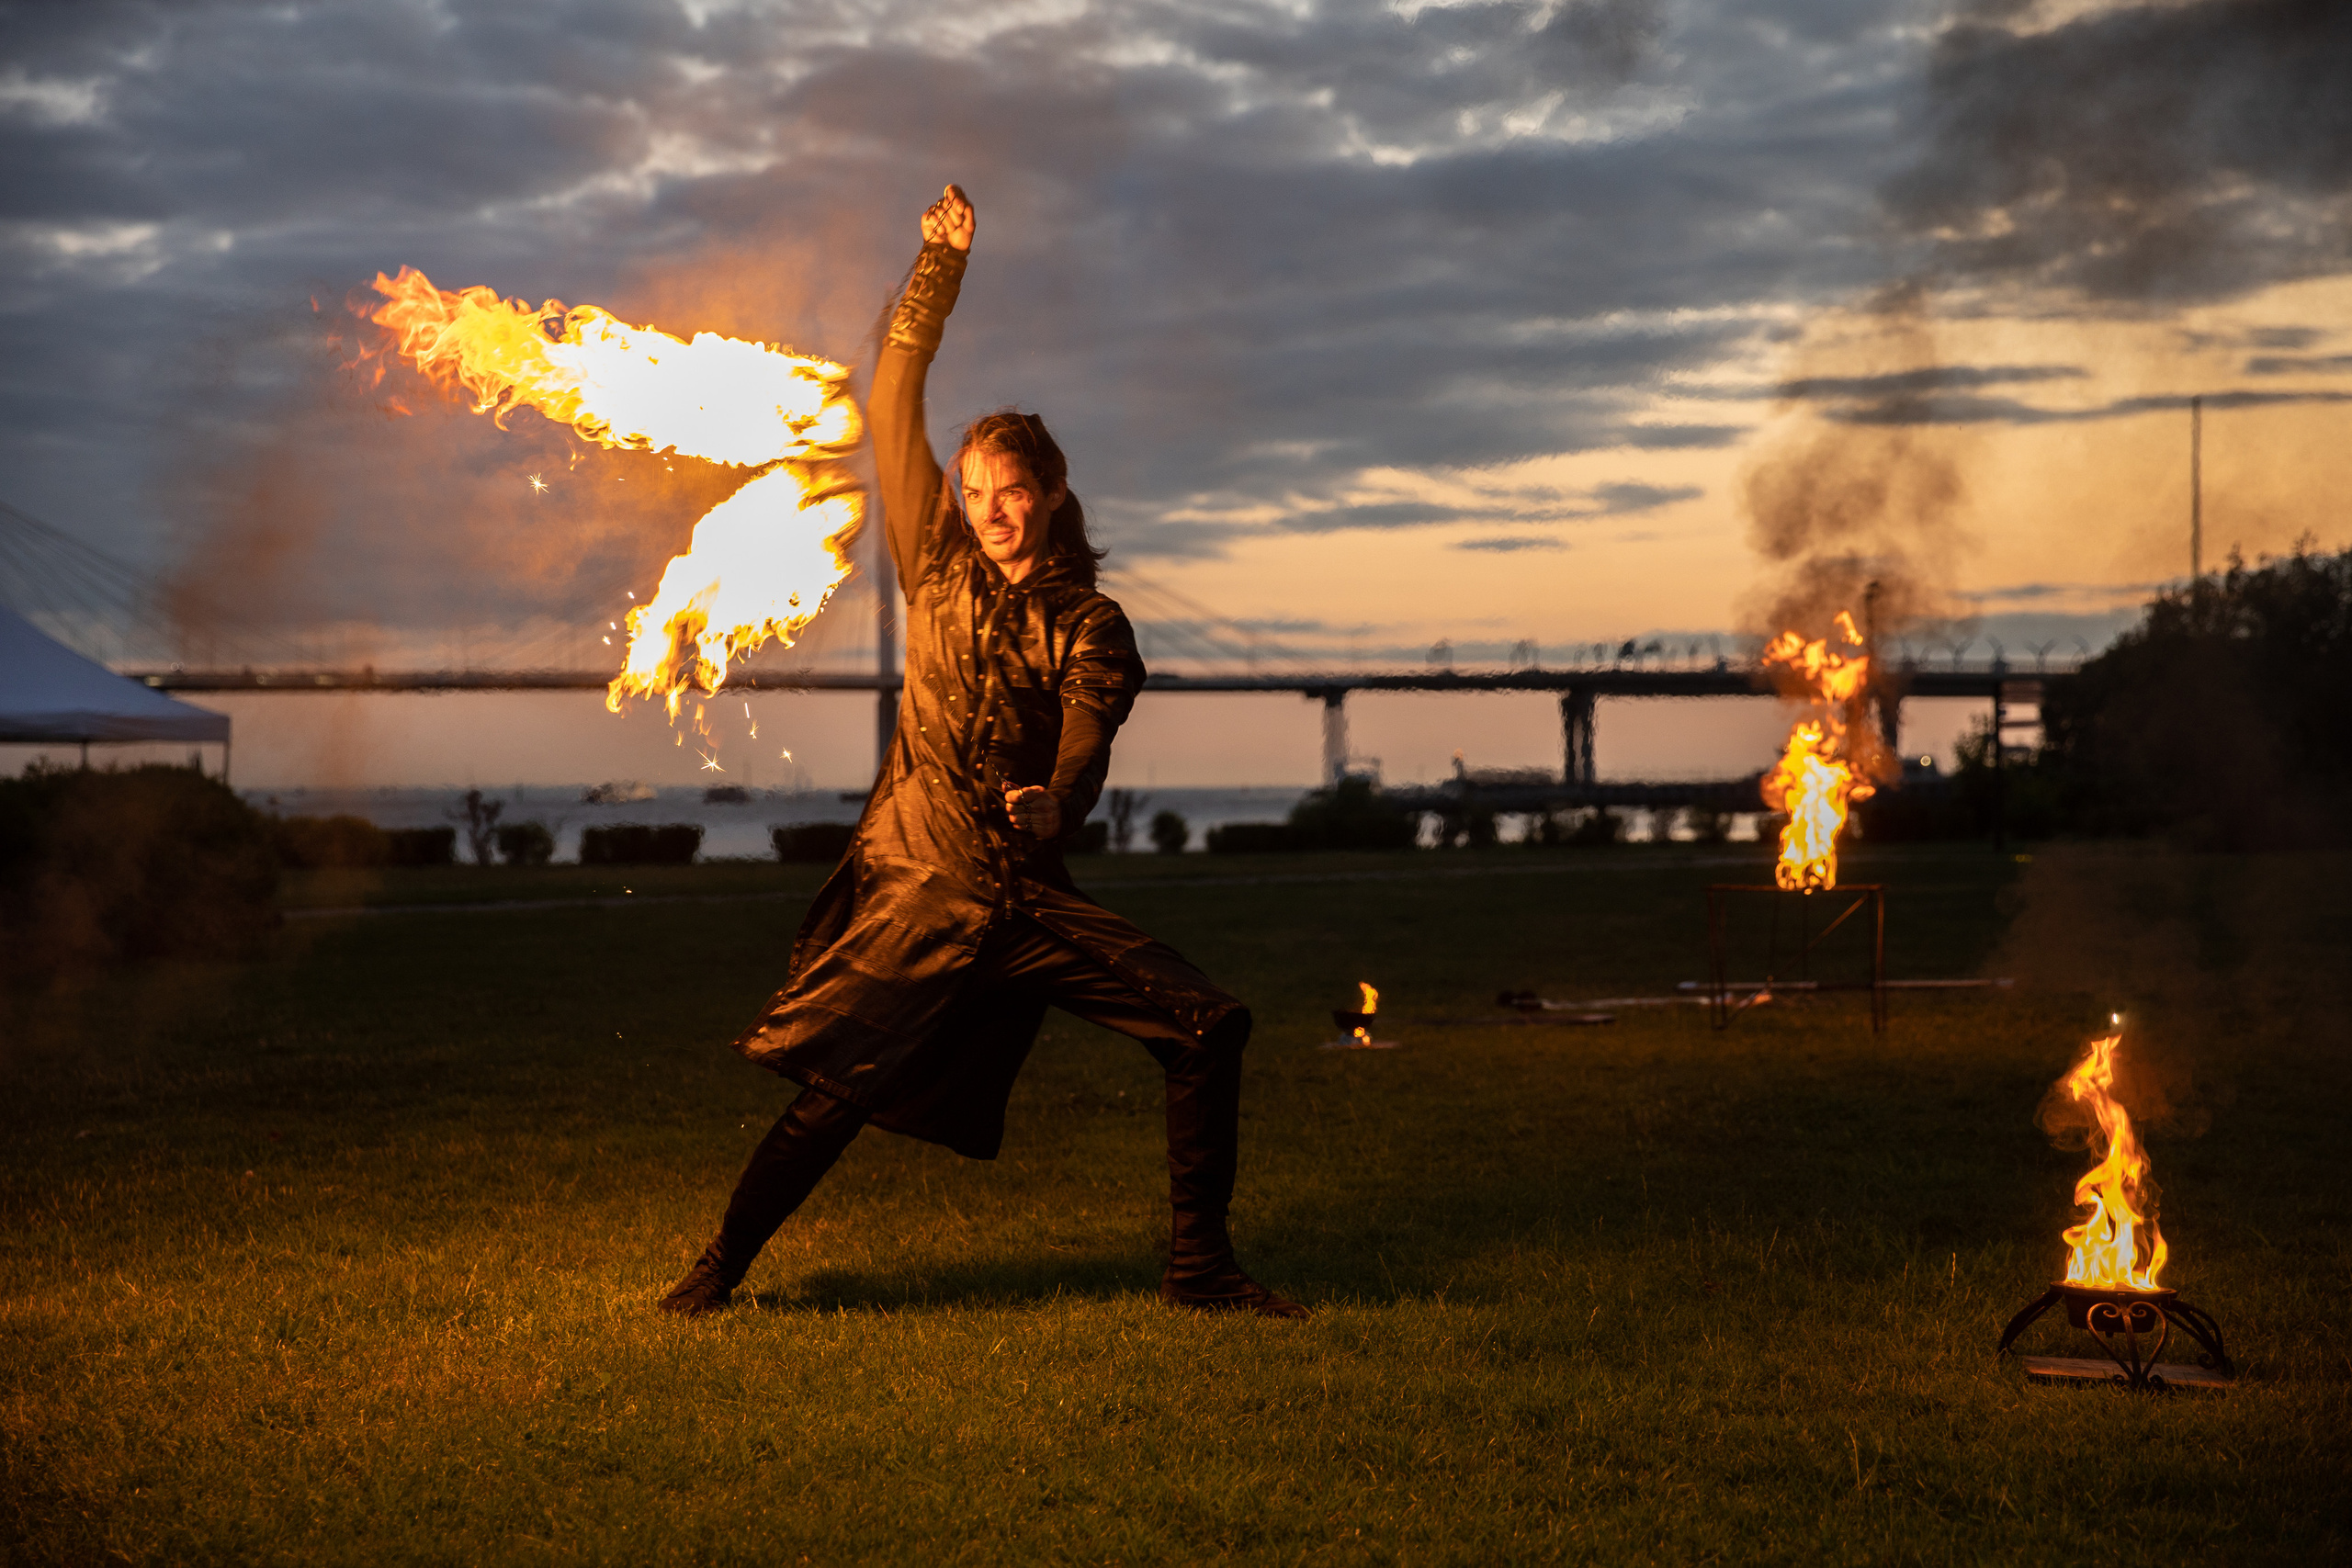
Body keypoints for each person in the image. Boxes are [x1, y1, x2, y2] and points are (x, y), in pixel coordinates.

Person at [660, 184, 1305, 1320]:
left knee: (1209, 1025)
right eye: (976, 493)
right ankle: (714, 1276)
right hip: (920, 886)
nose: (993, 510)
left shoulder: (1090, 622)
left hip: (1023, 899)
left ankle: (1199, 1271)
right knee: (836, 1089)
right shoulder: (933, 569)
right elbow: (893, 392)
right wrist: (937, 266)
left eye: (1014, 492)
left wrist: (1059, 800)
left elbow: (1088, 729)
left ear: (1053, 496)